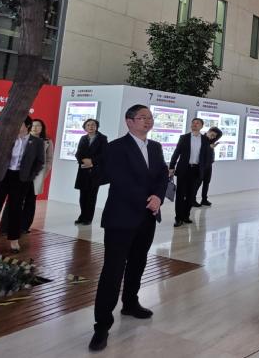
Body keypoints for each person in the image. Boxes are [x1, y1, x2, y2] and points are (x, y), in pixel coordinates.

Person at [88, 104, 169, 352]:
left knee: (138, 263)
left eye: (150, 117)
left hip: (147, 217)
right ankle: (102, 326)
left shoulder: (155, 147)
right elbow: (120, 180)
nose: (148, 121)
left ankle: (130, 303)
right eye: (142, 117)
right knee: (113, 271)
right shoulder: (116, 147)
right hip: (121, 218)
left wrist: (158, 197)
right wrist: (148, 199)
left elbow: (162, 175)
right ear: (129, 121)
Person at [0, 117, 44, 257]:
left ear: (27, 126)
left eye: (19, 123)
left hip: (21, 179)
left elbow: (40, 162)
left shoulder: (37, 142)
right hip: (3, 176)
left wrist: (30, 176)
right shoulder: (7, 138)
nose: (16, 126)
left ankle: (14, 241)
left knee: (15, 209)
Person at [1, 118, 53, 234]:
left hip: (36, 176)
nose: (35, 128)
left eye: (38, 126)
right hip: (20, 175)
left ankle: (24, 226)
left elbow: (48, 160)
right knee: (13, 201)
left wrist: (41, 174)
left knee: (30, 201)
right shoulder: (21, 139)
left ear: (42, 128)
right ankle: (5, 226)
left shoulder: (46, 141)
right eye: (33, 125)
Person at [170, 118, 212, 227]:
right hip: (184, 169)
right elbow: (176, 152)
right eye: (193, 123)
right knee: (180, 195)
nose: (194, 124)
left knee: (191, 195)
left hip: (196, 170)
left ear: (201, 126)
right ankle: (178, 218)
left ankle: (186, 216)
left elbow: (206, 156)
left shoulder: (205, 139)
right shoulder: (184, 137)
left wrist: (204, 168)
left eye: (197, 123)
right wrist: (171, 166)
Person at [74, 118, 108, 225]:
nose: (90, 127)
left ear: (96, 127)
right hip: (83, 170)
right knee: (83, 196)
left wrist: (92, 161)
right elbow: (78, 153)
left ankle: (88, 218)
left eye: (93, 125)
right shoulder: (83, 138)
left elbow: (104, 155)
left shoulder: (103, 138)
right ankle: (82, 216)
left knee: (91, 196)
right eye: (88, 125)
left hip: (95, 171)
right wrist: (83, 160)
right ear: (85, 127)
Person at [194, 126, 222, 207]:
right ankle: (192, 199)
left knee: (206, 183)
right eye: (212, 135)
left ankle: (204, 199)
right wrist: (209, 147)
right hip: (201, 165)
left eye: (214, 136)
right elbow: (200, 151)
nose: (213, 137)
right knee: (198, 183)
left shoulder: (212, 140)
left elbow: (219, 135)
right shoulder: (201, 139)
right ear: (208, 131)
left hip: (209, 165)